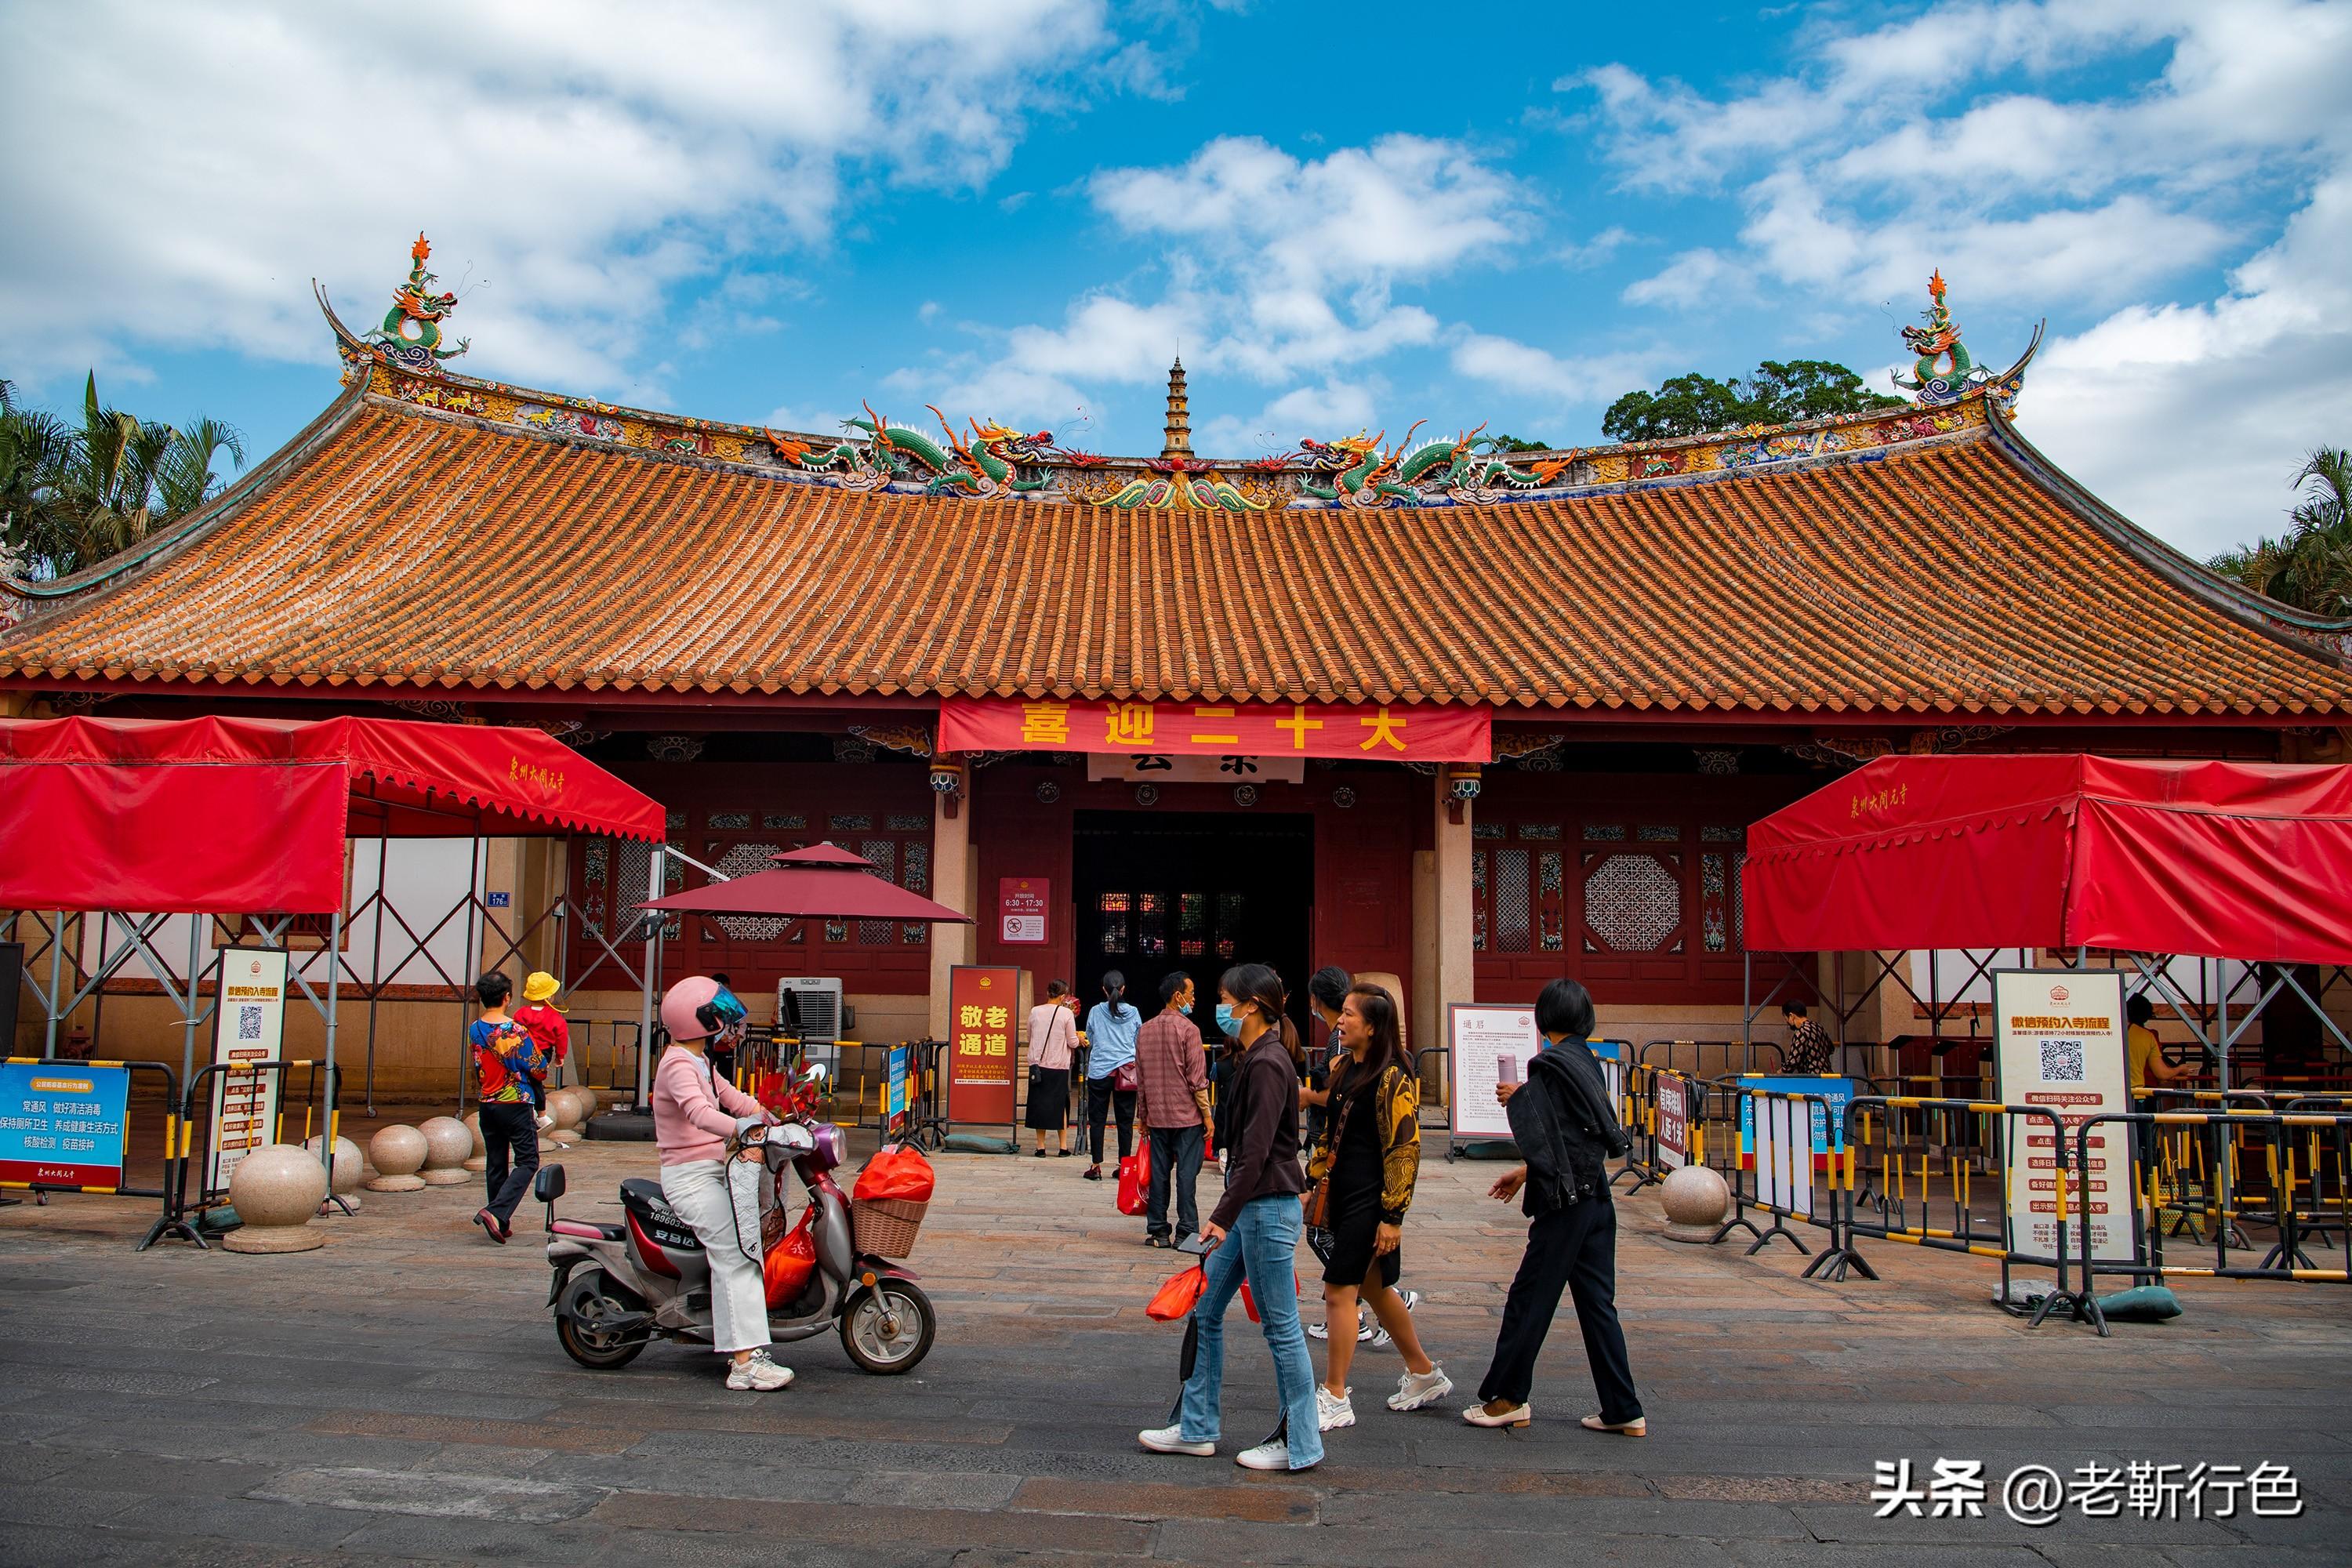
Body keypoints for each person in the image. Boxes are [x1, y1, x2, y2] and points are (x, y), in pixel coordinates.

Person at [1139, 963, 1321, 1472]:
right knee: (1207, 1310)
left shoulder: (1267, 1063)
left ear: (1253, 1007)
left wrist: (1219, 1216)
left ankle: (1299, 1441)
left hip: (1263, 1209)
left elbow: (1259, 1152)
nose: (1220, 1008)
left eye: (1225, 999)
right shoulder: (1258, 1057)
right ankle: (1196, 1427)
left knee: (1281, 1328)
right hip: (1253, 1208)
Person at [1467, 977, 1644, 1436]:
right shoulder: (1587, 1061)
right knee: (1597, 1304)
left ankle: (1507, 1397)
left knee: (1530, 1299)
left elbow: (1547, 1135)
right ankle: (1623, 1408)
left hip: (1565, 1204)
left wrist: (1517, 1098)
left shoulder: (1547, 1065)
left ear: (1542, 1019)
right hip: (1597, 1199)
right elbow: (1576, 1137)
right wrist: (1525, 1171)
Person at [1308, 982, 1450, 1430]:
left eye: (1350, 1014)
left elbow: (1404, 1148)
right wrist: (1313, 1179)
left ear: (1372, 1027)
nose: (1341, 1021)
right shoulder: (1349, 1068)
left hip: (1371, 1201)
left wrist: (1393, 1216)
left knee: (1338, 1292)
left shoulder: (1393, 1076)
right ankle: (1424, 1372)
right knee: (1373, 1289)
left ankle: (1334, 1395)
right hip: (1345, 1191)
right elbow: (1334, 1132)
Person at [652, 975, 793, 1392]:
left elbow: (730, 1096)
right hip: (690, 1177)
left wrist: (772, 1115)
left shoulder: (699, 1060)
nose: (723, 1019)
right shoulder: (677, 1063)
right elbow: (699, 1112)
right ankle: (745, 1363)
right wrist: (741, 1128)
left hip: (712, 1171)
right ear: (699, 1020)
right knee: (736, 1253)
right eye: (717, 1013)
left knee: (745, 1245)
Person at [468, 970, 546, 1243]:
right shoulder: (516, 1030)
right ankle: (497, 1211)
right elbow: (539, 1068)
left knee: (496, 1162)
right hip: (514, 1102)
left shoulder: (475, 1028)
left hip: (487, 1102)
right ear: (507, 997)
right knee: (528, 1161)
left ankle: (500, 1220)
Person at [1134, 970, 1210, 1247]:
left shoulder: (1144, 1030)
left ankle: (1157, 1231)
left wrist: (1143, 1116)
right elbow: (1197, 1081)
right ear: (1178, 996)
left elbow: (1140, 1079)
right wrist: (1207, 1116)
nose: (1194, 998)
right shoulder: (1190, 1031)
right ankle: (1187, 1232)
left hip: (1157, 1116)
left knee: (1159, 1174)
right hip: (1187, 1117)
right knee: (1186, 1175)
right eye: (1191, 993)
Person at [1082, 971, 1142, 1181]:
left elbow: (1090, 1035)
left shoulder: (1096, 1011)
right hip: (1126, 1072)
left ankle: (1096, 1166)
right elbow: (1138, 1039)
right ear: (1123, 989)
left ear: (1104, 990)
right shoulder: (1133, 1012)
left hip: (1100, 1071)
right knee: (1125, 1122)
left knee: (1097, 1120)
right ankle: (1123, 1166)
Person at [1026, 980, 1079, 1156]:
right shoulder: (1066, 1013)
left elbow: (1030, 1035)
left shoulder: (1035, 1011)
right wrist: (1081, 1040)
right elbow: (1072, 1041)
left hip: (1037, 1066)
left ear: (1048, 993)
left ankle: (1041, 1147)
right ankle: (1063, 1147)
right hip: (1058, 1065)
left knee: (1040, 1105)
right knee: (1060, 1106)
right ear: (1063, 997)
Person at [2127, 993, 2196, 1093]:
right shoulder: (2148, 1035)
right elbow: (2162, 1073)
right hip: (2143, 1089)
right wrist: (2180, 1069)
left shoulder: (2110, 1033)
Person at [515, 971, 569, 1095]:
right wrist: (560, 1056)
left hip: (522, 1051)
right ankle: (541, 1110)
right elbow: (562, 1037)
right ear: (549, 997)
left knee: (524, 1079)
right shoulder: (555, 1017)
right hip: (544, 1052)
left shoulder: (520, 1013)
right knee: (536, 1081)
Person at [1781, 1002, 1835, 1075]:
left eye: (1786, 1018)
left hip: (1813, 1078)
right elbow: (1831, 1048)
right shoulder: (1818, 1026)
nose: (1787, 1022)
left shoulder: (1802, 1031)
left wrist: (1780, 1072)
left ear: (1791, 1016)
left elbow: (1793, 1061)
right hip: (1828, 1075)